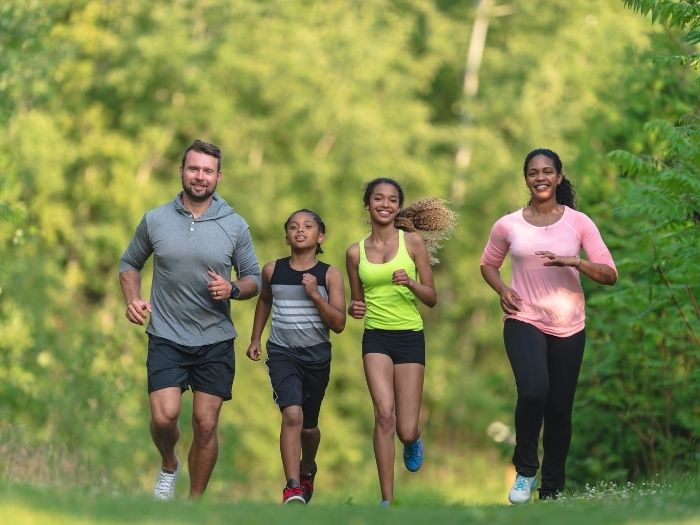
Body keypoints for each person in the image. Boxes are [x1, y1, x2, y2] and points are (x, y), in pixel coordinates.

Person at [119, 139, 261, 500]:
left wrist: (231, 290)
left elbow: (253, 279)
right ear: (182, 171)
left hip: (214, 338)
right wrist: (132, 298)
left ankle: (194, 504)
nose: (200, 176)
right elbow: (130, 263)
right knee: (165, 417)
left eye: (208, 171)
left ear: (218, 176)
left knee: (206, 423)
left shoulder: (235, 224)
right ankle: (169, 464)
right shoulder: (156, 219)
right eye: (194, 169)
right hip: (166, 335)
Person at [480, 148, 617, 503]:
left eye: (547, 172)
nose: (540, 178)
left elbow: (609, 274)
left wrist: (573, 261)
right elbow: (488, 264)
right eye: (532, 172)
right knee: (533, 391)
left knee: (559, 408)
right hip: (523, 318)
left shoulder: (579, 223)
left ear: (558, 177)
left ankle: (552, 490)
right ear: (526, 179)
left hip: (570, 325)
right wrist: (502, 289)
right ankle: (525, 470)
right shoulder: (508, 224)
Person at [345, 178, 456, 507]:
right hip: (375, 337)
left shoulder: (413, 244)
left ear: (398, 206)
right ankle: (386, 500)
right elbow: (356, 302)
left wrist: (409, 282)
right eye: (378, 198)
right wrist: (354, 308)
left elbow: (432, 297)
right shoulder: (355, 252)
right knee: (383, 414)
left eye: (392, 199)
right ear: (368, 204)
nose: (385, 204)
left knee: (405, 429)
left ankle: (413, 440)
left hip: (409, 337)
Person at [246, 209, 346, 504]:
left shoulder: (329, 274)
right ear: (287, 236)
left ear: (320, 236)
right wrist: (255, 338)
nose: (300, 230)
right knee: (292, 414)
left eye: (308, 226)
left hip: (316, 358)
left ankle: (307, 468)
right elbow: (264, 300)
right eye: (293, 227)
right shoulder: (272, 270)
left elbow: (339, 324)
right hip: (282, 353)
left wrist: (316, 295)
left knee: (310, 428)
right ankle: (292, 486)